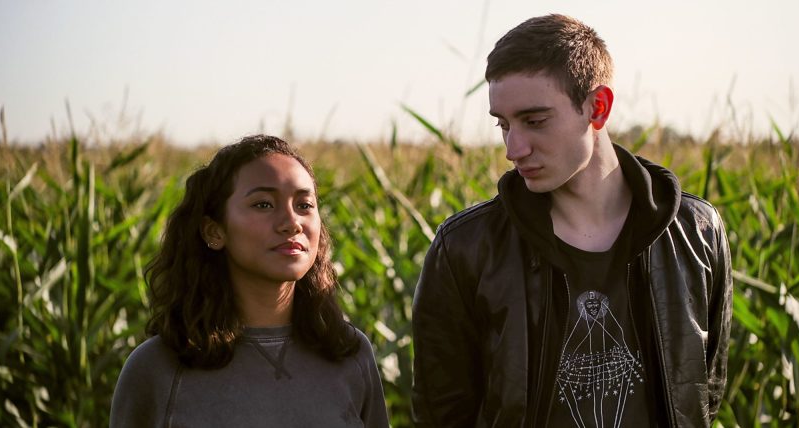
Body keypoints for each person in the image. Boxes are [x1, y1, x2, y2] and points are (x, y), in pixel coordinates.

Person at [412, 14, 732, 427]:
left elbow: (702, 394)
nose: (514, 148)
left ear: (597, 107)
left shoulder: (697, 233)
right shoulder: (464, 249)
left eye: (534, 121)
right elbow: (442, 416)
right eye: (503, 124)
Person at [110, 135, 389, 427]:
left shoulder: (350, 353)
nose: (292, 222)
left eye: (304, 205)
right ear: (214, 231)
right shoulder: (157, 368)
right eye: (264, 205)